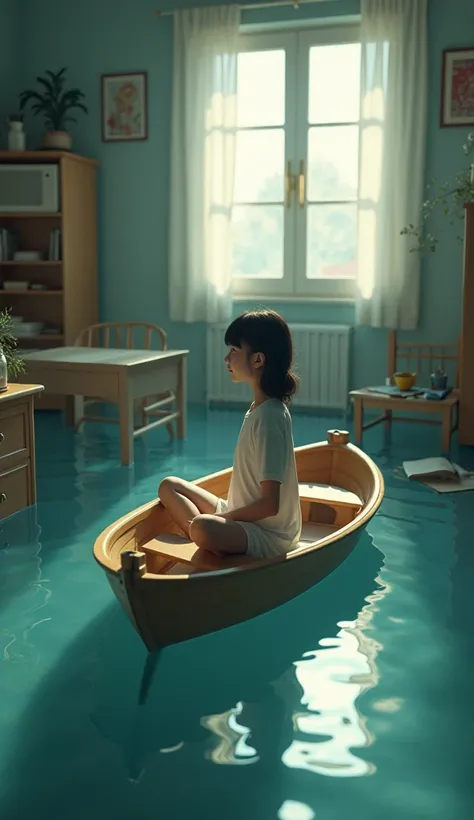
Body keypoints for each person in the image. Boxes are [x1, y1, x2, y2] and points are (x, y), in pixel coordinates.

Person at [158, 308, 302, 559]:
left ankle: (208, 536)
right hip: (239, 513)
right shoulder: (258, 409)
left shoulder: (270, 417)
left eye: (234, 351)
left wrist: (223, 519)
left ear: (258, 360)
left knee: (203, 526)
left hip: (269, 535)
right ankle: (211, 536)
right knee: (169, 486)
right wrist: (226, 516)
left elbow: (270, 504)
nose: (227, 359)